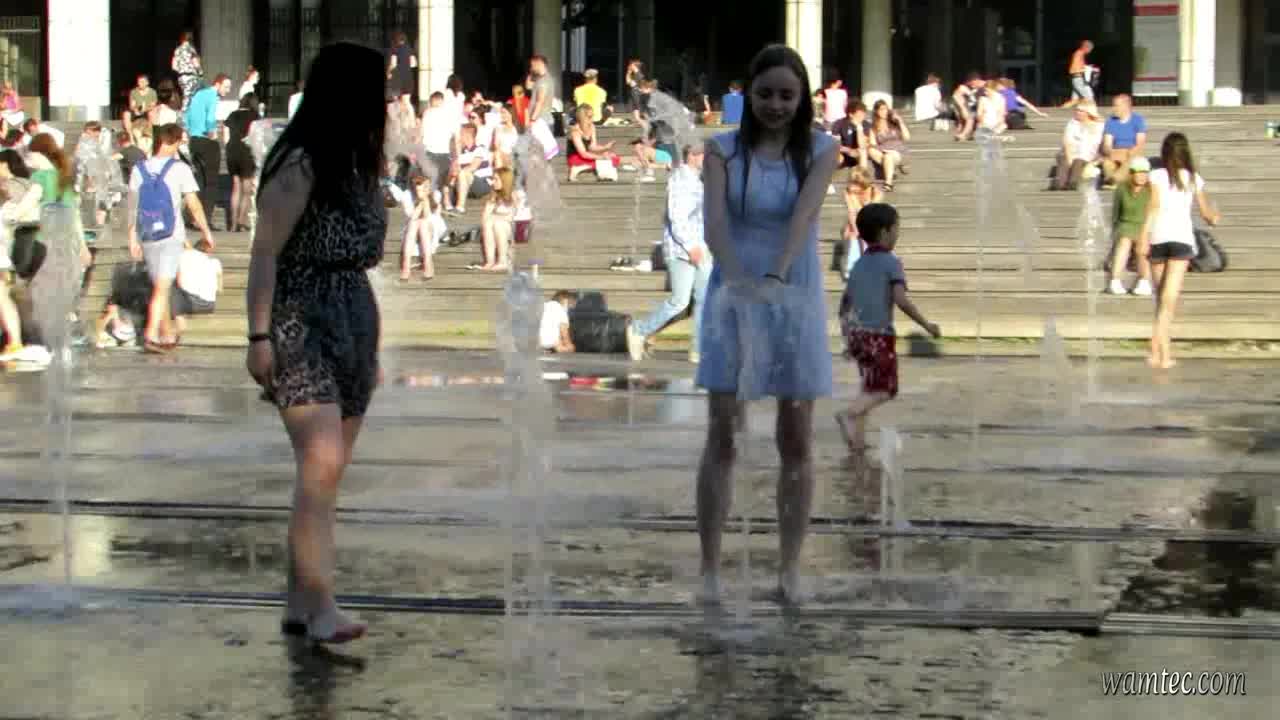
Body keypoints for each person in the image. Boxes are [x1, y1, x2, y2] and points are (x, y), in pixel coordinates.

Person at [245, 42, 388, 644]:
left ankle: (298, 601)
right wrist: (258, 336)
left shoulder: (357, 164)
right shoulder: (301, 164)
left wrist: (371, 352)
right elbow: (264, 253)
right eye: (377, 89)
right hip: (300, 317)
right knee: (321, 463)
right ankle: (321, 602)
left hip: (353, 316)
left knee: (325, 474)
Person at [696, 44, 839, 605]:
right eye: (765, 94)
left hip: (793, 289)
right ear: (748, 95)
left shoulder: (821, 149)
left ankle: (789, 570)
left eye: (786, 95)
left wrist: (776, 277)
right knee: (723, 431)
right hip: (732, 290)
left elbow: (803, 217)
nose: (775, 105)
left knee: (795, 435)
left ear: (802, 99)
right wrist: (739, 282)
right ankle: (710, 570)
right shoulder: (722, 150)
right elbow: (714, 224)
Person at [835, 203, 940, 453]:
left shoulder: (858, 264)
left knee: (868, 387)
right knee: (886, 389)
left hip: (856, 334)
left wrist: (848, 339)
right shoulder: (892, 262)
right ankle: (849, 415)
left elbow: (844, 305)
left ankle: (857, 443)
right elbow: (900, 300)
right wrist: (926, 324)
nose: (898, 234)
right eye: (896, 229)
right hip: (878, 336)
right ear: (884, 232)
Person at [127, 123, 213, 352]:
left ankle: (166, 334)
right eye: (179, 142)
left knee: (160, 286)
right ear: (173, 142)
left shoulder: (139, 169)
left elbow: (132, 207)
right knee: (163, 288)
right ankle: (150, 334)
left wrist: (132, 238)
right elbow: (194, 204)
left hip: (147, 234)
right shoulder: (180, 169)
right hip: (171, 236)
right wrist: (206, 232)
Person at [1140, 133, 1219, 370]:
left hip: (1158, 237)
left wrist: (1143, 236)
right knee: (1170, 299)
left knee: (1161, 299)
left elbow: (1153, 207)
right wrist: (1214, 218)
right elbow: (1206, 214)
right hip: (1181, 239)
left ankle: (1162, 356)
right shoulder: (1193, 178)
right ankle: (1157, 342)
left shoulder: (1156, 176)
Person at [627, 144, 710, 363]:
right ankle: (638, 330)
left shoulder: (698, 180)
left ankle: (698, 349)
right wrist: (690, 246)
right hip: (682, 250)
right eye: (704, 154)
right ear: (692, 156)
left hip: (701, 247)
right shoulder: (680, 179)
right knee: (680, 301)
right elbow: (677, 217)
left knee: (704, 298)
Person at [0, 149, 44, 364]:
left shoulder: (13, 187)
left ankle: (17, 341)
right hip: (19, 248)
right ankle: (18, 341)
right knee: (9, 296)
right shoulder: (25, 186)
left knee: (4, 297)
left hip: (9, 252)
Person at [186, 74, 232, 226]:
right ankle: (205, 220)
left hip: (194, 140)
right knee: (211, 183)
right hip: (206, 141)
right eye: (226, 86)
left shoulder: (198, 95)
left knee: (199, 181)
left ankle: (194, 219)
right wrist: (212, 132)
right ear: (217, 84)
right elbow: (210, 118)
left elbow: (187, 116)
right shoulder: (212, 96)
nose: (228, 90)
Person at [1105, 157, 1154, 297]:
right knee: (1124, 241)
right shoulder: (1122, 189)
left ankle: (1144, 281)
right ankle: (1115, 280)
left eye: (1145, 173)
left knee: (1142, 243)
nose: (1142, 176)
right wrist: (1114, 232)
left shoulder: (1151, 190)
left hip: (1143, 227)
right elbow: (1116, 213)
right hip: (1125, 225)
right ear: (1131, 173)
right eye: (1139, 172)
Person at [224, 93, 260, 232]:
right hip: (246, 152)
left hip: (232, 151)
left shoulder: (232, 115)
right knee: (247, 190)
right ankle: (241, 221)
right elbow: (256, 137)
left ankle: (233, 224)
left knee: (236, 187)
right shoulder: (255, 116)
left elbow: (226, 136)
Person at [839, 166, 882, 280]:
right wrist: (856, 230)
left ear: (861, 183)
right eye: (850, 182)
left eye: (853, 184)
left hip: (872, 222)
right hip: (854, 222)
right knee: (851, 234)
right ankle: (851, 268)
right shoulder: (848, 192)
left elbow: (871, 214)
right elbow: (851, 213)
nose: (850, 186)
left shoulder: (875, 192)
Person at [1052, 101, 1104, 191]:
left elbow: (1100, 144)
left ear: (1088, 112)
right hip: (1070, 152)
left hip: (1088, 155)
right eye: (1077, 110)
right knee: (1064, 158)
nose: (1077, 112)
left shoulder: (1100, 126)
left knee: (1079, 161)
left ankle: (1073, 183)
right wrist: (1069, 157)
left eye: (1081, 111)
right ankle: (1060, 183)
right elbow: (1067, 142)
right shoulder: (1072, 123)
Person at [475, 166, 517, 272]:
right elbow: (485, 216)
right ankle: (490, 261)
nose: (493, 182)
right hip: (496, 228)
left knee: (498, 224)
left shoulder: (514, 196)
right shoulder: (493, 196)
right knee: (488, 223)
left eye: (496, 179)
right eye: (493, 179)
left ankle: (503, 261)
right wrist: (493, 218)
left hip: (512, 230)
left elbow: (514, 217)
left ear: (504, 181)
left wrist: (497, 218)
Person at [1101, 94, 1148, 188]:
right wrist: (1111, 152)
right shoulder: (1110, 122)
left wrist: (1126, 154)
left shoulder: (1138, 120)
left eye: (1116, 106)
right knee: (1107, 163)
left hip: (1132, 153)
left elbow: (1140, 144)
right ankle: (1116, 182)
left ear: (1126, 106)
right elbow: (1107, 145)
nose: (1113, 108)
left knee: (1131, 160)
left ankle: (1113, 180)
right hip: (1115, 153)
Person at [566, 106, 620, 182]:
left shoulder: (592, 127)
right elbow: (583, 153)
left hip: (586, 155)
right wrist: (601, 157)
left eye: (592, 116)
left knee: (613, 158)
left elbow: (592, 147)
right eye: (589, 117)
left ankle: (583, 168)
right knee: (604, 160)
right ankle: (577, 168)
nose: (592, 119)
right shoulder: (575, 131)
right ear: (582, 118)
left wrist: (605, 148)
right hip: (575, 157)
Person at [867, 100, 910, 191]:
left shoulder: (894, 123)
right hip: (884, 152)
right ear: (876, 111)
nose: (884, 111)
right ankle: (891, 170)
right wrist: (883, 150)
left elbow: (907, 137)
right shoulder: (873, 127)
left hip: (898, 151)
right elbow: (873, 144)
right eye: (881, 109)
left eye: (886, 109)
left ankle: (888, 183)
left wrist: (900, 121)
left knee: (888, 156)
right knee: (872, 151)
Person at [527, 55, 559, 160]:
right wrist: (531, 73)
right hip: (540, 120)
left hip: (541, 121)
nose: (531, 68)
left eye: (532, 65)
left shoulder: (544, 81)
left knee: (540, 154)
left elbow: (540, 101)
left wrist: (532, 119)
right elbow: (528, 86)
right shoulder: (540, 80)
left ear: (539, 64)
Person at [830, 101, 869, 179]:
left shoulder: (865, 124)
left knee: (863, 152)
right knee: (835, 156)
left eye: (863, 114)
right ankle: (829, 180)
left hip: (858, 153)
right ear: (851, 114)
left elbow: (862, 145)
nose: (862, 117)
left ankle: (863, 180)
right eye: (860, 115)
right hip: (843, 153)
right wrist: (848, 150)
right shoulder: (840, 123)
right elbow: (835, 144)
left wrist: (859, 128)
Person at [171, 31, 204, 115]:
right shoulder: (191, 49)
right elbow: (196, 63)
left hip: (181, 77)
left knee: (185, 95)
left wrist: (181, 70)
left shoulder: (177, 50)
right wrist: (200, 72)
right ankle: (185, 115)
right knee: (190, 97)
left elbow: (174, 66)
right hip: (191, 76)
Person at [386, 31, 417, 104]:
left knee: (395, 102)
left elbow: (393, 64)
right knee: (406, 102)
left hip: (397, 78)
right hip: (408, 78)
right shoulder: (410, 49)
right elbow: (413, 64)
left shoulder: (394, 49)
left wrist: (388, 72)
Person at [1064, 40, 1096, 108]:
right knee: (1089, 98)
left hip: (1076, 79)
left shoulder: (1079, 54)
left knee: (1074, 101)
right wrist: (1088, 69)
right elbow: (1075, 68)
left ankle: (1060, 110)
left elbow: (1079, 66)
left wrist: (1089, 68)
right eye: (1090, 49)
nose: (1090, 51)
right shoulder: (1079, 54)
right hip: (1078, 79)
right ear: (1086, 47)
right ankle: (1093, 114)